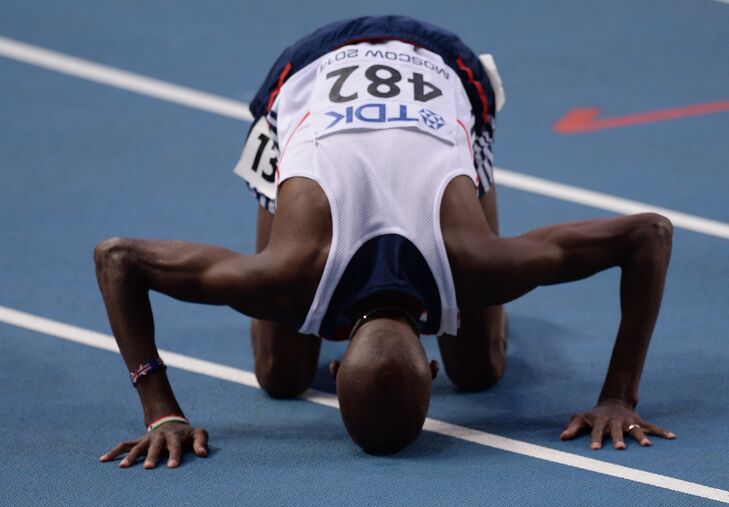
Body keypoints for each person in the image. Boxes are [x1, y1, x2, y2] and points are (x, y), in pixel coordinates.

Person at [94, 15, 675, 468]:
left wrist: (161, 413)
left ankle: (445, 169)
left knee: (478, 369)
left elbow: (118, 257)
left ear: (340, 357)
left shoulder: (300, 274)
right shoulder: (304, 274)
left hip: (426, 68)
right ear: (427, 364)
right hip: (311, 78)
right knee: (280, 376)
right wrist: (158, 411)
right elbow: (116, 259)